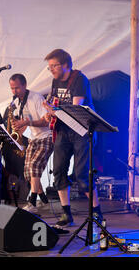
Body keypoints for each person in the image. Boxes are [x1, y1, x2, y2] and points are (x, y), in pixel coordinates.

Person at [43, 49, 102, 227]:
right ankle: (66, 213)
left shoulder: (79, 79)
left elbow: (75, 109)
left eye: (54, 66)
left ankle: (97, 213)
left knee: (82, 174)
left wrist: (55, 112)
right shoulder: (55, 80)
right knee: (59, 170)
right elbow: (56, 103)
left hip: (81, 131)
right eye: (50, 67)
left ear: (66, 65)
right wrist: (49, 114)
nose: (51, 69)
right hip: (63, 130)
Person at [8, 74, 53, 213]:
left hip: (47, 136)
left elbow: (46, 121)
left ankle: (32, 201)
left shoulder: (36, 98)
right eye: (12, 88)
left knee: (34, 166)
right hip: (33, 138)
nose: (14, 91)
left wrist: (27, 122)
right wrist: (18, 129)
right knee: (28, 172)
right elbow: (25, 123)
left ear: (25, 85)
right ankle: (43, 198)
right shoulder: (16, 102)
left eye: (17, 88)